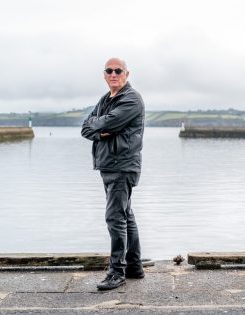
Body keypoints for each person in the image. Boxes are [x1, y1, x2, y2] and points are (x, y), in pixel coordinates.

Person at [81, 58, 146, 290]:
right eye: (109, 71)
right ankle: (134, 267)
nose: (114, 74)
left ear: (127, 73)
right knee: (125, 215)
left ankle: (116, 272)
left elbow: (112, 121)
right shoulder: (105, 99)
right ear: (104, 74)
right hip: (108, 165)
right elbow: (86, 127)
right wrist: (101, 132)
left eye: (118, 70)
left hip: (122, 166)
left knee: (115, 217)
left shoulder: (131, 99)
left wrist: (100, 124)